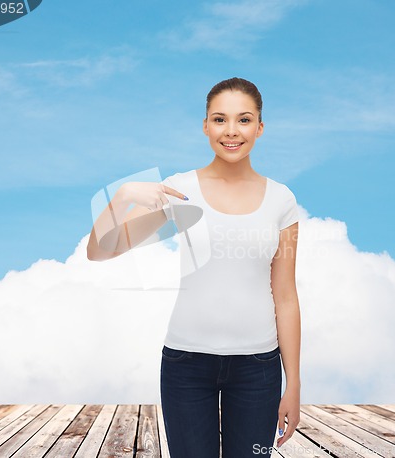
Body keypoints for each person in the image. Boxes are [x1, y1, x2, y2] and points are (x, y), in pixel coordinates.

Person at [86, 77, 301, 457]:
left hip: (259, 369)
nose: (231, 131)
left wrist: (294, 383)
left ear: (260, 128)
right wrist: (122, 196)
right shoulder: (180, 191)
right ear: (205, 126)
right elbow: (101, 250)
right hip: (186, 365)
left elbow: (285, 296)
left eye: (244, 120)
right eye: (220, 119)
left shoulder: (281, 200)